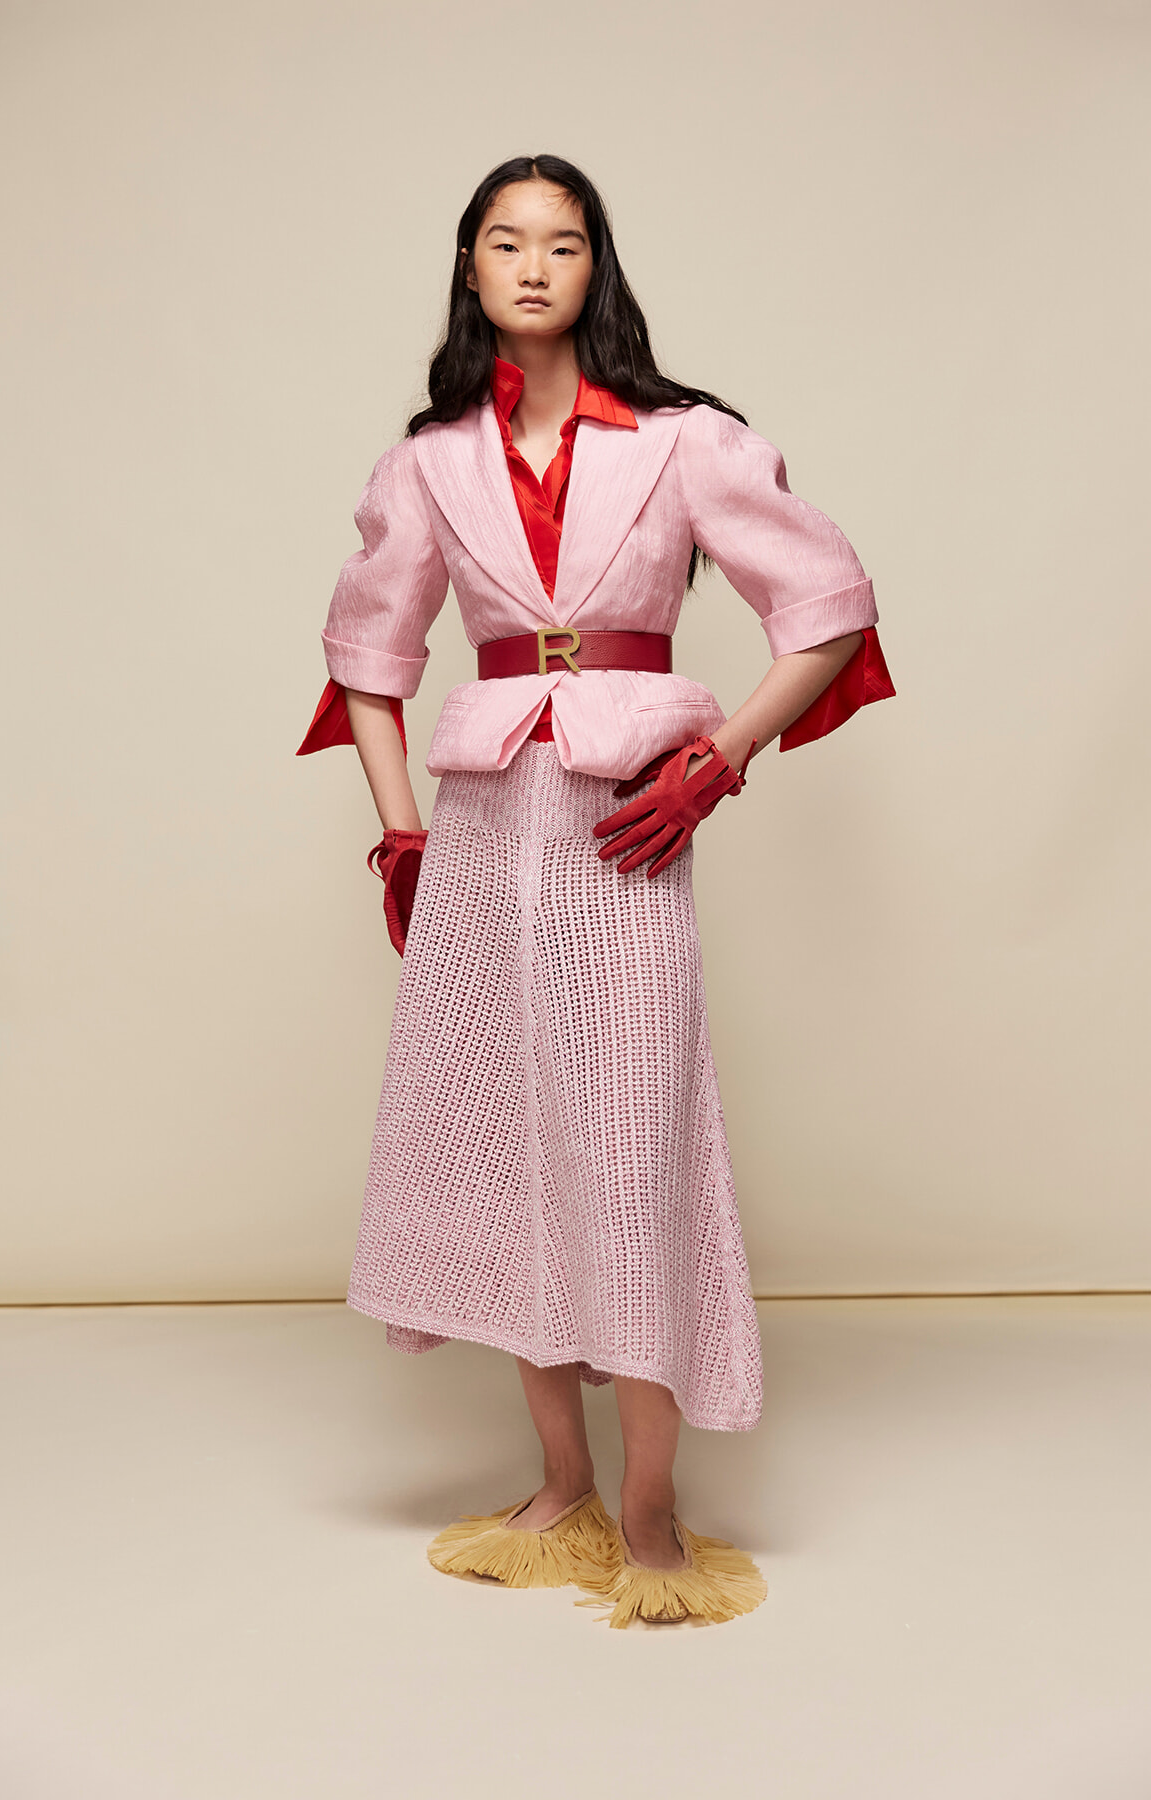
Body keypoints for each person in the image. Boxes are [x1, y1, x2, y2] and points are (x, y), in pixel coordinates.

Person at [298, 154, 894, 1627]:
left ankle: (648, 1507)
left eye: (562, 243)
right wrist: (400, 839)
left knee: (626, 1146)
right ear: (470, 265)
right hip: (490, 830)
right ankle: (559, 1488)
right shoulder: (426, 460)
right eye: (505, 241)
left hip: (627, 820)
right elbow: (369, 662)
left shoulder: (688, 442)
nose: (534, 266)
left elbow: (828, 605)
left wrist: (722, 760)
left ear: (594, 265)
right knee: (514, 1148)